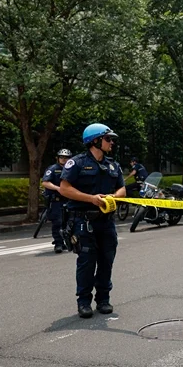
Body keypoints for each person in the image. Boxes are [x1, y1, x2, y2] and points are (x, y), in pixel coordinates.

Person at [59, 123, 126, 318]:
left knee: (107, 260)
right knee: (87, 262)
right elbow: (65, 188)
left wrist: (114, 197)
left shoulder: (113, 164)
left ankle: (103, 299)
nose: (111, 142)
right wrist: (91, 199)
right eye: (108, 139)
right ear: (95, 140)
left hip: (106, 222)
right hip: (83, 221)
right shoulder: (77, 163)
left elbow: (122, 189)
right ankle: (84, 302)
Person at [41, 149, 73, 253]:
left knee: (70, 222)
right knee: (57, 222)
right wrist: (57, 188)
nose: (64, 160)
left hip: (69, 200)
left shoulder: (72, 169)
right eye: (62, 157)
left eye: (66, 158)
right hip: (57, 200)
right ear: (58, 158)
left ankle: (69, 241)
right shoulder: (53, 169)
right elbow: (45, 182)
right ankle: (58, 243)